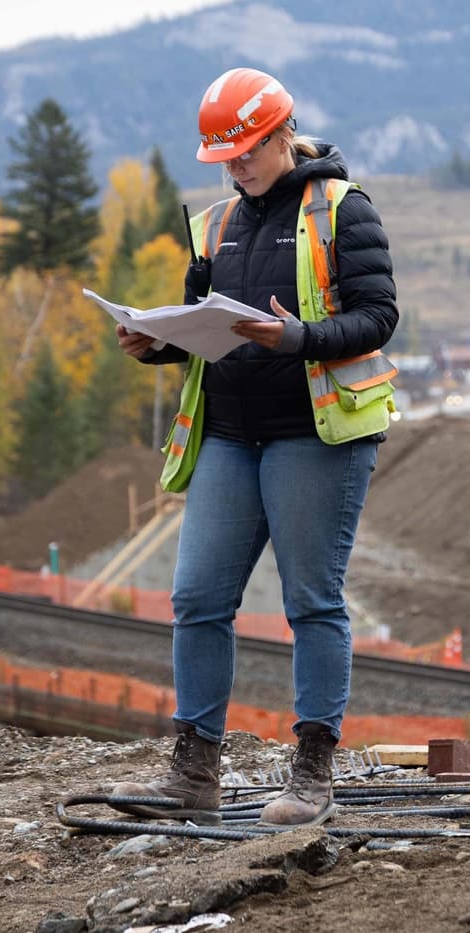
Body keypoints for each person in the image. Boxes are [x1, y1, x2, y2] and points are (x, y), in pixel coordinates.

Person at [110, 67, 398, 828]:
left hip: (316, 434)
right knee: (199, 597)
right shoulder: (214, 225)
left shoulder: (342, 210)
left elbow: (377, 317)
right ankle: (194, 769)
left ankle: (312, 771)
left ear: (280, 135)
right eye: (225, 159)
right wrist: (154, 343)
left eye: (246, 154)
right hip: (230, 438)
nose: (236, 169)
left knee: (311, 602)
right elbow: (208, 329)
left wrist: (297, 337)